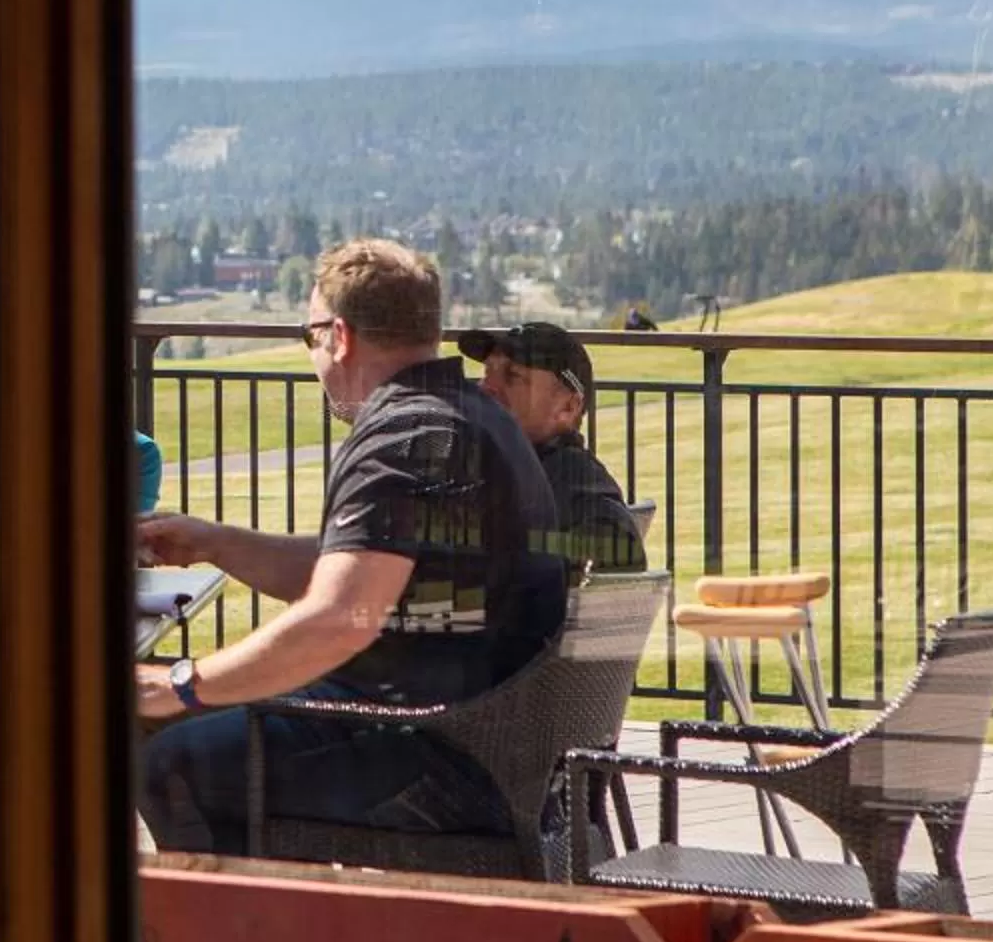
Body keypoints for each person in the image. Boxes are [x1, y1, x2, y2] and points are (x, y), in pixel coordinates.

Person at [134, 238, 556, 854]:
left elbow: (338, 619)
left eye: (309, 338)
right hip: (488, 737)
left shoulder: (405, 435)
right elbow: (354, 571)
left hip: (435, 754)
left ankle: (253, 916)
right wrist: (215, 543)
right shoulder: (464, 414)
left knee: (174, 762)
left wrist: (178, 682)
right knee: (169, 720)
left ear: (339, 336)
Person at [457, 320, 645, 573]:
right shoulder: (502, 468)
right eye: (487, 371)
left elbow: (621, 549)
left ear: (568, 407)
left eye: (513, 376)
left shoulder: (571, 476)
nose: (485, 386)